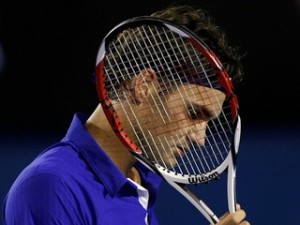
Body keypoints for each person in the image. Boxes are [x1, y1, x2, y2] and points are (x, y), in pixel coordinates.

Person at [3, 5, 249, 225]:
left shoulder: (138, 185)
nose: (200, 138)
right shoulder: (52, 187)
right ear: (145, 86)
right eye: (194, 113)